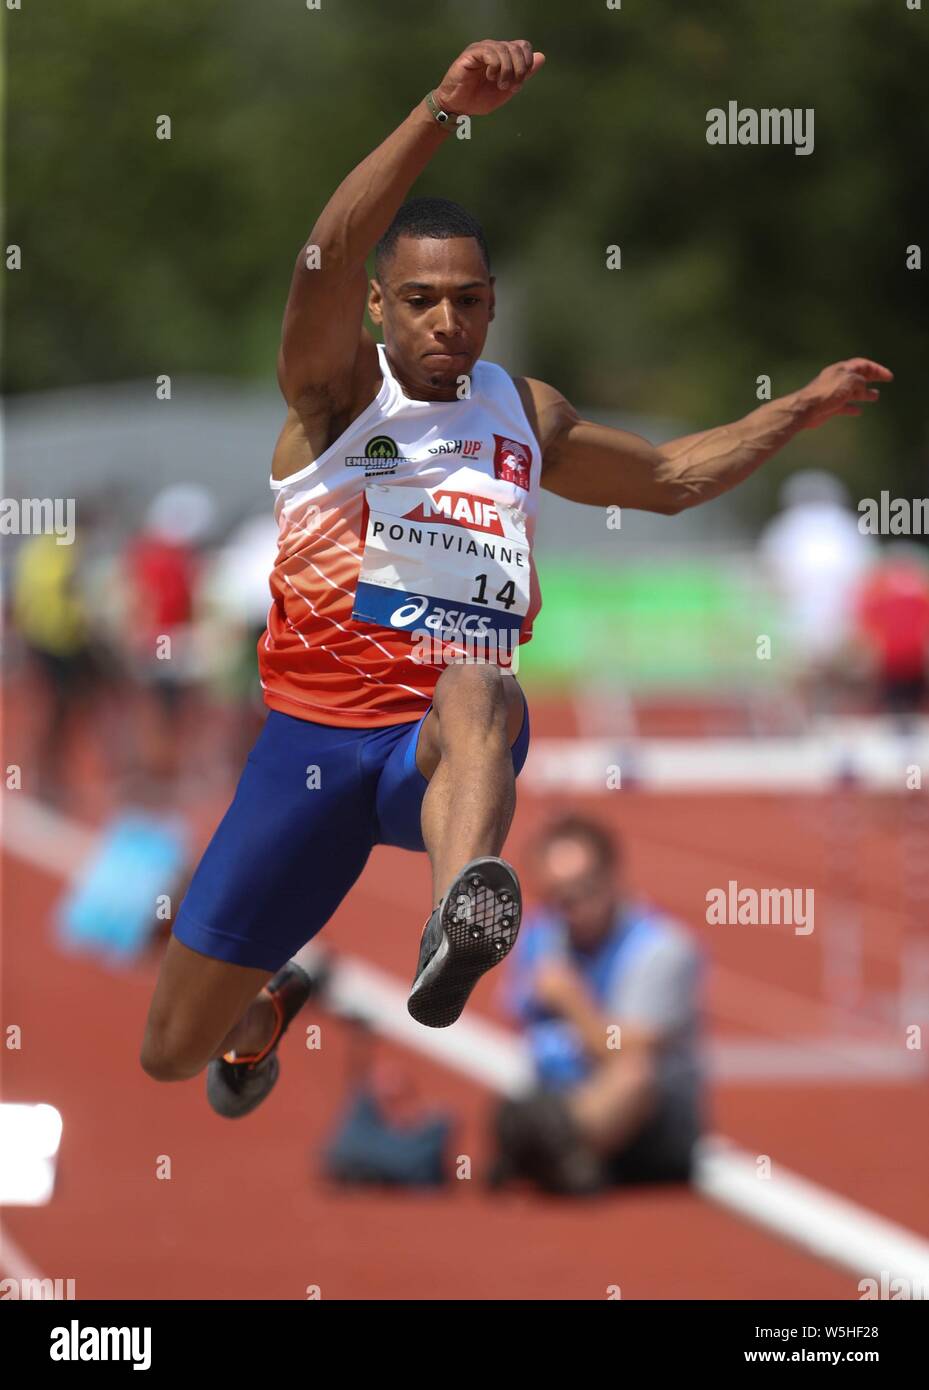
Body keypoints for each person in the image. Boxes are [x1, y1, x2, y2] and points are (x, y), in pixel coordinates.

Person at [140, 38, 891, 1120]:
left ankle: (458, 916)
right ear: (376, 309)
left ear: (490, 305)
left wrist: (796, 409)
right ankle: (260, 1013)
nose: (446, 322)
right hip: (307, 749)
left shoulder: (522, 412)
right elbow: (325, 246)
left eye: (466, 301)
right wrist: (442, 108)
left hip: (439, 751)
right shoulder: (336, 399)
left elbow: (672, 476)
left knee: (478, 685)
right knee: (170, 1051)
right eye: (420, 300)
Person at [492, 816, 703, 1194]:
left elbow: (628, 1052)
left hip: (648, 1124)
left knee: (632, 1076)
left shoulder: (661, 949)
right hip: (564, 1092)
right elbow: (523, 1022)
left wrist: (573, 1003)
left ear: (611, 879)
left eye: (581, 891)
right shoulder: (542, 937)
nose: (569, 907)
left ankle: (548, 1143)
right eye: (557, 896)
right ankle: (551, 1146)